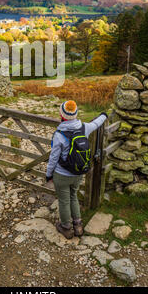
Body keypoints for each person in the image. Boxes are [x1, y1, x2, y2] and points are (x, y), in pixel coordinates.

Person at [46, 100, 107, 239]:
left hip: (62, 174)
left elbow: (53, 158)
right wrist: (104, 115)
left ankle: (66, 228)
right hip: (78, 173)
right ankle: (78, 226)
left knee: (64, 200)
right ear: (76, 113)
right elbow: (97, 123)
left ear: (61, 115)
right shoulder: (85, 127)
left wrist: (49, 175)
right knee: (73, 196)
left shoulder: (59, 134)